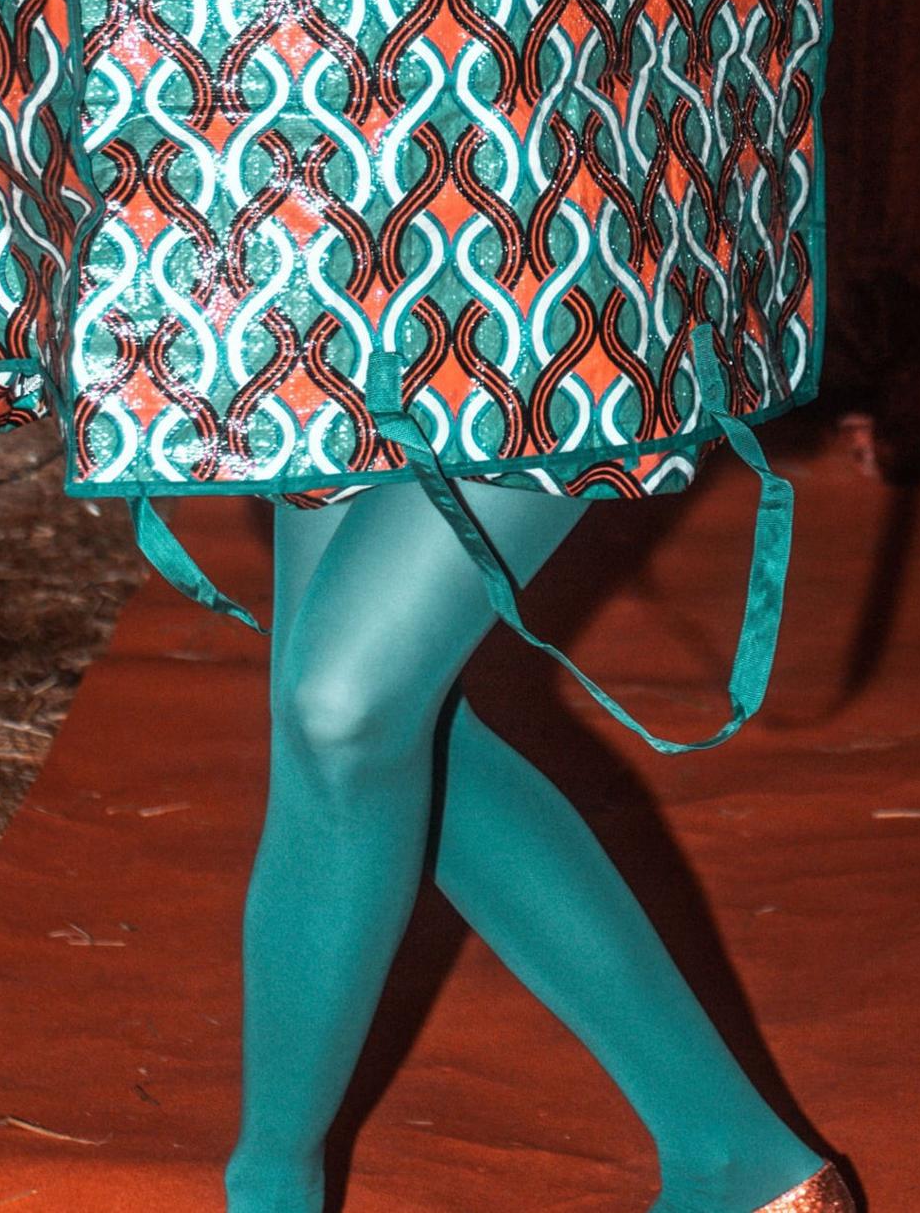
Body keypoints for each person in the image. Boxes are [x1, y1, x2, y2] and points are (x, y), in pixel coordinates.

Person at [226, 480, 854, 1213]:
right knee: (365, 720)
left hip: (514, 397)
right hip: (341, 396)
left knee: (343, 709)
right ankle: (733, 1156)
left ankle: (268, 1190)